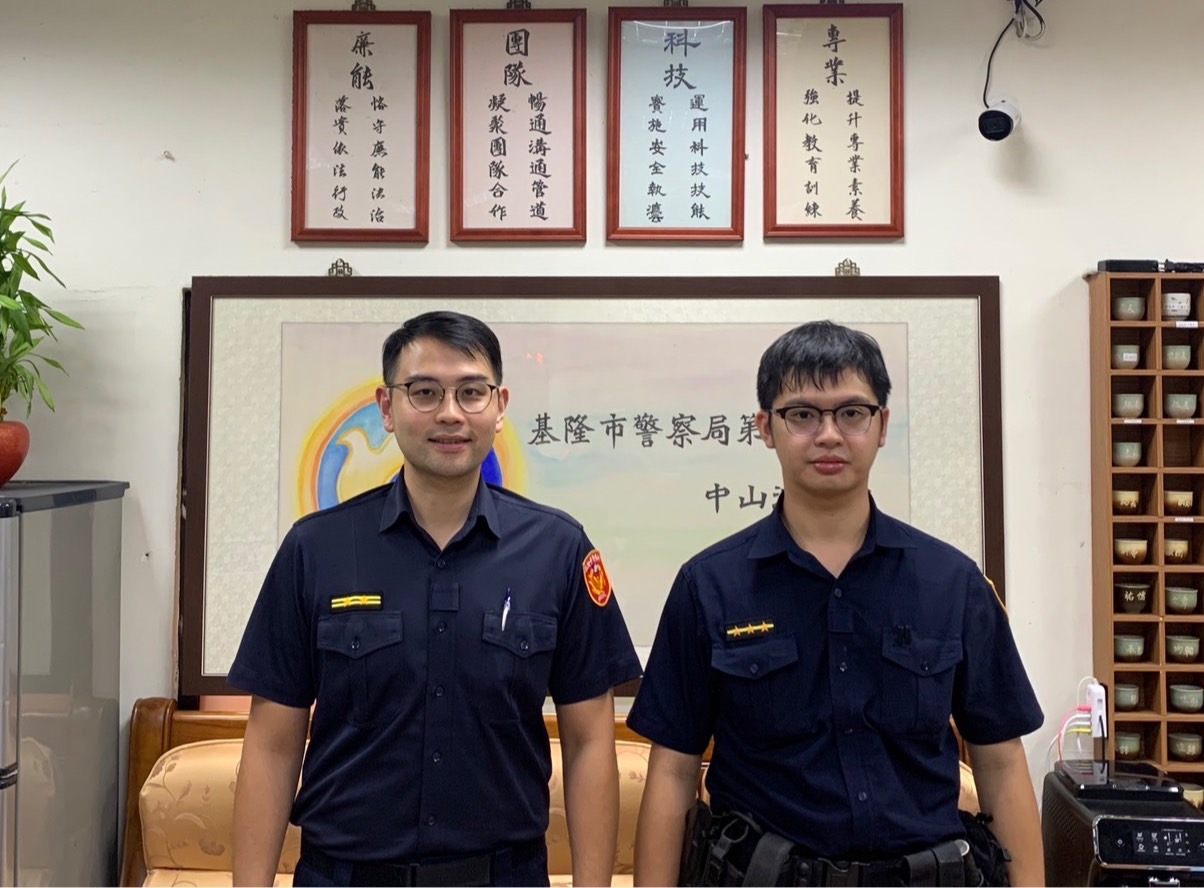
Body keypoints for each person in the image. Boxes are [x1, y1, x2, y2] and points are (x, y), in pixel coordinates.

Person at [228, 310, 642, 888]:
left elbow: (590, 741)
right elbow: (273, 746)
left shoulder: (558, 549)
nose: (450, 413)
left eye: (471, 392)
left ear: (499, 406)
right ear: (387, 407)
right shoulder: (316, 548)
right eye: (424, 392)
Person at [627, 321, 1044, 887]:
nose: (828, 434)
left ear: (882, 425)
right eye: (802, 414)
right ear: (765, 428)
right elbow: (674, 771)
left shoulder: (953, 583)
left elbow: (999, 761)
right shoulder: (709, 586)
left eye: (851, 413)